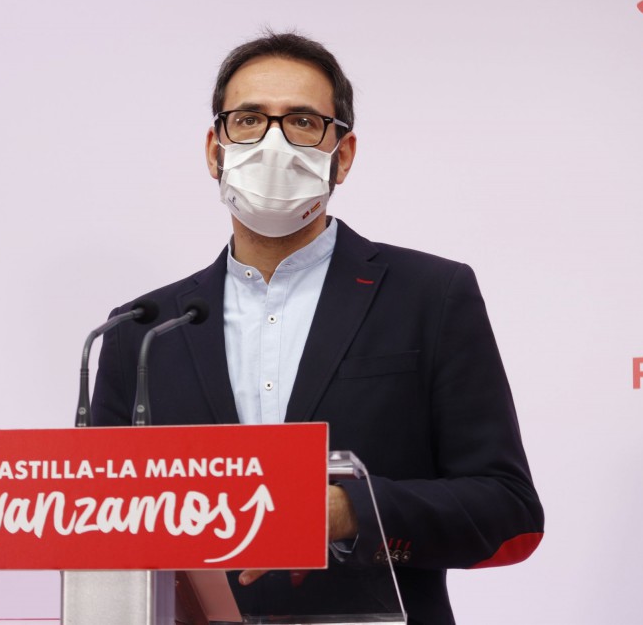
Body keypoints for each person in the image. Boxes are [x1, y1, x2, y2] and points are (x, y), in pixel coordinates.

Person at [90, 31, 544, 624]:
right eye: (249, 120)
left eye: (303, 122)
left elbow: (507, 509)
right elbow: (98, 519)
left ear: (343, 154)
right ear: (214, 149)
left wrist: (350, 511)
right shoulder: (142, 330)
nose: (273, 143)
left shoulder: (430, 296)